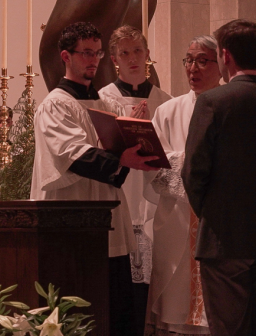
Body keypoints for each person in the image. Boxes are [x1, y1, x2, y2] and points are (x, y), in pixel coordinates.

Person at [30, 21, 159, 336]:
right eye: (86, 53)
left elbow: (118, 155)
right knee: (76, 309)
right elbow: (73, 153)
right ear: (66, 56)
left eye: (97, 54)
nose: (93, 60)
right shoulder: (56, 105)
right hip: (70, 223)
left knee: (114, 310)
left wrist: (137, 143)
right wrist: (121, 159)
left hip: (109, 220)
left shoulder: (108, 104)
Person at [182, 19, 256, 335]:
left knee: (228, 329)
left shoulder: (212, 102)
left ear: (225, 56)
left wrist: (211, 215)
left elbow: (193, 171)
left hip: (223, 240)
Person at [146, 35, 221, 336]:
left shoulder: (229, 107)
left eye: (203, 60)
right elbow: (156, 167)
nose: (193, 68)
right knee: (175, 309)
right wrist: (193, 163)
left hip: (215, 218)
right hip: (178, 219)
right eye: (189, 60)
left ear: (221, 65)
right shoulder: (167, 111)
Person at [99, 26, 172, 334]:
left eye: (137, 51)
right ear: (115, 59)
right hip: (122, 198)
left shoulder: (165, 101)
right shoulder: (104, 99)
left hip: (158, 200)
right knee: (124, 283)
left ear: (147, 55)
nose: (132, 58)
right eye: (124, 53)